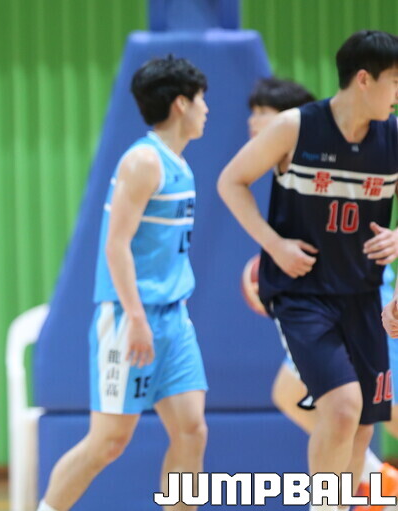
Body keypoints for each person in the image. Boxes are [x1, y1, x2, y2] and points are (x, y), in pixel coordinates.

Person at [218, 31, 398, 511]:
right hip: (303, 295)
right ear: (365, 79)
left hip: (364, 295)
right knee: (341, 408)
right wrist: (274, 244)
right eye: (395, 82)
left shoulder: (393, 137)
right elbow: (230, 181)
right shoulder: (295, 128)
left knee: (362, 427)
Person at [36, 55, 209, 511]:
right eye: (201, 99)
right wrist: (136, 318)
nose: (206, 109)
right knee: (108, 441)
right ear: (181, 104)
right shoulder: (143, 161)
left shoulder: (180, 164)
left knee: (192, 430)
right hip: (131, 317)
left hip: (174, 318)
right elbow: (116, 246)